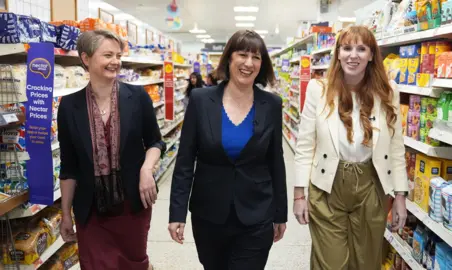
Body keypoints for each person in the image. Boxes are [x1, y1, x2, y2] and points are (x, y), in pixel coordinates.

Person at [168, 29, 287, 270]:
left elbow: (276, 160)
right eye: (242, 54)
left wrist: (280, 213)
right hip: (209, 214)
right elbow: (184, 161)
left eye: (256, 57)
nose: (248, 63)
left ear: (262, 64)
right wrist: (176, 213)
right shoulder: (201, 100)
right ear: (229, 59)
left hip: (257, 213)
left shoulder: (271, 104)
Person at [293, 25, 408, 270]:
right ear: (337, 53)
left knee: (366, 262)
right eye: (346, 48)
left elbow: (396, 147)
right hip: (327, 185)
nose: (352, 55)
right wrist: (299, 195)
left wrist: (400, 195)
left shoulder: (389, 92)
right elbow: (304, 145)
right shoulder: (318, 90)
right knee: (330, 263)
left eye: (361, 49)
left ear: (371, 56)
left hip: (372, 186)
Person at [57, 30, 165, 270]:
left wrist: (147, 169)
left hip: (131, 204)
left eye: (118, 55)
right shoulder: (69, 106)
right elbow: (69, 166)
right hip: (91, 208)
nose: (116, 61)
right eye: (108, 55)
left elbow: (156, 142)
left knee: (133, 263)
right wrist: (66, 214)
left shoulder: (137, 97)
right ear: (86, 58)